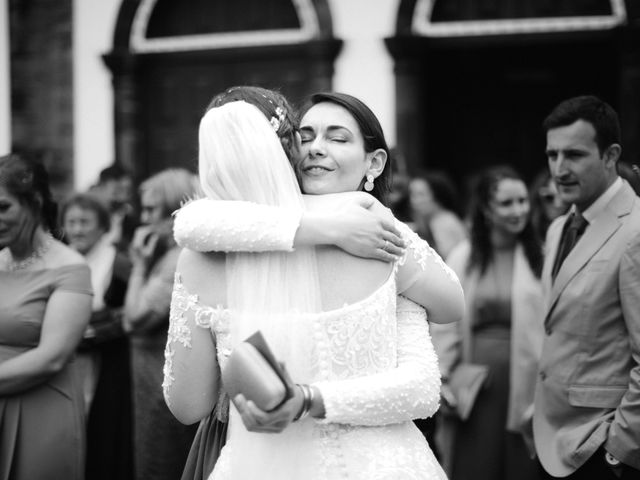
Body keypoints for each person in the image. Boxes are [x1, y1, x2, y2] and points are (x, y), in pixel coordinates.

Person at [165, 88, 464, 479]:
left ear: (375, 162)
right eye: (305, 137)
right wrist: (330, 225)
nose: (316, 149)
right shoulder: (367, 225)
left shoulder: (205, 250)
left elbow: (187, 405)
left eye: (338, 138)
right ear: (286, 150)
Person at [534, 95, 640, 479]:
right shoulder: (560, 226)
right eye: (552, 155)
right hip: (552, 441)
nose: (559, 169)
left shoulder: (635, 231)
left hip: (602, 451)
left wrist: (619, 451)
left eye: (574, 155)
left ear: (611, 155)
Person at [431, 165, 545, 480]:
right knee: (474, 464)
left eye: (523, 201)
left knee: (523, 465)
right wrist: (444, 377)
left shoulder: (542, 258)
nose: (518, 210)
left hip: (528, 381)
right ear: (486, 209)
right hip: (475, 385)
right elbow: (445, 322)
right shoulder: (463, 257)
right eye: (507, 203)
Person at [0, 153, 93, 479]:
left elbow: (52, 357)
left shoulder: (70, 267)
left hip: (41, 409)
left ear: (35, 202)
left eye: (3, 207)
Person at [124, 168, 200, 480]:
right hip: (150, 385)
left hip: (164, 392)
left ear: (173, 211)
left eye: (151, 209)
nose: (144, 218)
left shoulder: (176, 260)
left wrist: (139, 266)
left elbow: (134, 317)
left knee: (162, 463)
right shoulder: (168, 254)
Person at [60, 192, 134, 480]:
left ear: (102, 225)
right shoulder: (58, 261)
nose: (77, 229)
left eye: (84, 222)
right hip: (66, 364)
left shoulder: (119, 262)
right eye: (71, 221)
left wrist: (93, 332)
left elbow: (129, 314)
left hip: (108, 363)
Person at [408, 170, 468, 262]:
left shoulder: (443, 222)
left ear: (437, 195)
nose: (414, 201)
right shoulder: (431, 220)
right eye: (412, 194)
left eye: (421, 194)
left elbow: (450, 261)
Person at [529, 169, 569, 244]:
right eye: (549, 197)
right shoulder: (526, 228)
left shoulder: (574, 231)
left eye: (563, 198)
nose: (557, 204)